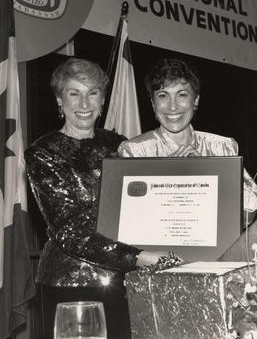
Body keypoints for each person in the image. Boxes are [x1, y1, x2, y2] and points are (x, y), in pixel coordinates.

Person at [24, 58, 168, 339]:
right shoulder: (44, 153)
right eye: (73, 93)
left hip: (127, 282)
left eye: (93, 93)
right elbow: (70, 231)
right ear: (59, 100)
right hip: (72, 286)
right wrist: (138, 257)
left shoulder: (120, 144)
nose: (85, 103)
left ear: (103, 100)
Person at [118, 57, 257, 221]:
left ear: (196, 100)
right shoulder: (134, 151)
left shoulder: (223, 147)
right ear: (152, 103)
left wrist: (209, 173)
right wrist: (165, 174)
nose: (173, 107)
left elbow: (248, 213)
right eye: (163, 95)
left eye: (182, 95)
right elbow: (131, 218)